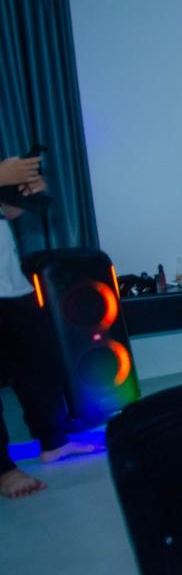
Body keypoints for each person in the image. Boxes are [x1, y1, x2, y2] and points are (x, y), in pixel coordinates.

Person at [0, 156, 101, 499]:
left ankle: (54, 442)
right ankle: (3, 469)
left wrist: (21, 193)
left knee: (40, 365)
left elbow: (8, 213)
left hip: (11, 284)